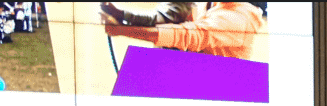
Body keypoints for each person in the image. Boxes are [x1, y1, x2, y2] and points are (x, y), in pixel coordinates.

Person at [100, 1, 266, 60]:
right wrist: (121, 15)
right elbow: (166, 18)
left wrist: (122, 30)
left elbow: (182, 35)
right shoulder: (212, 5)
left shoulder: (237, 18)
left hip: (218, 90)